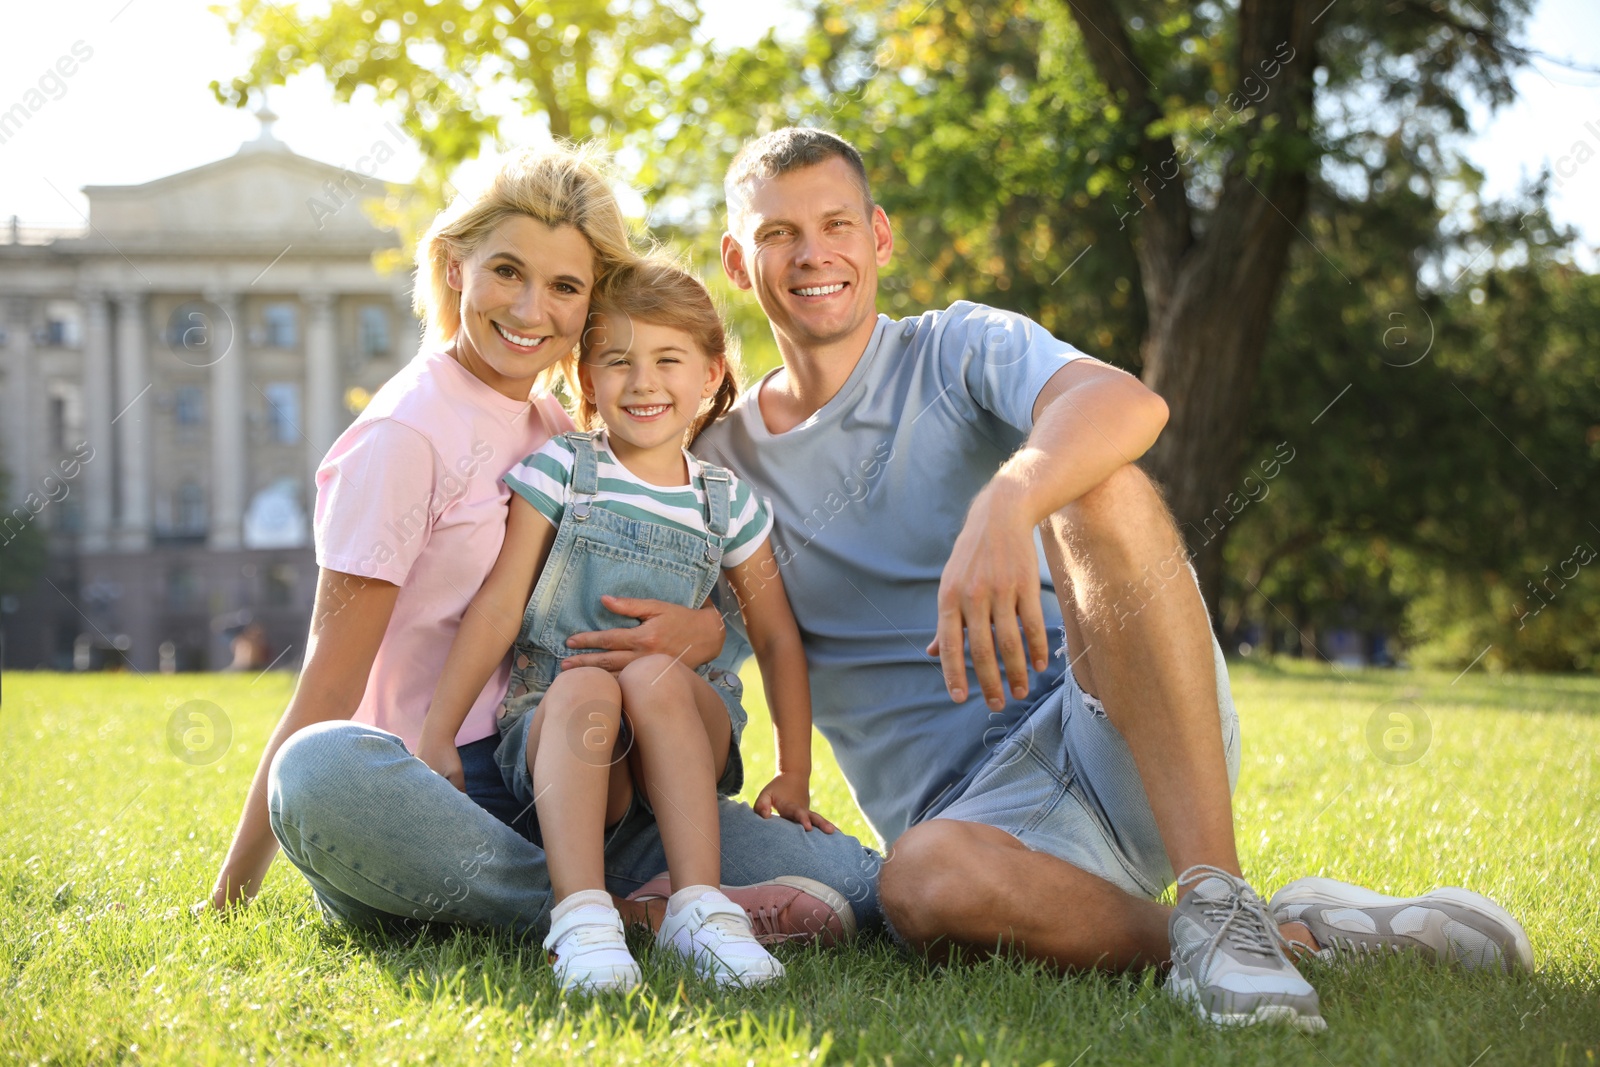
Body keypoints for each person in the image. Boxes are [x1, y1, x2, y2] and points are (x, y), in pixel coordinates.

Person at [695, 127, 1533, 1031]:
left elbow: (1129, 403)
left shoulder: (957, 345)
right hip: (980, 830)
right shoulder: (718, 468)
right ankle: (1272, 936)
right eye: (780, 234)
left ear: (880, 236)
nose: (814, 253)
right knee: (918, 884)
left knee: (1095, 482)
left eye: (836, 224)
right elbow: (716, 649)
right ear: (740, 263)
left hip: (1120, 722)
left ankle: (1218, 889)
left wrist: (1007, 502)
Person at [202, 146, 881, 952]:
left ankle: (637, 892)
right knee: (316, 770)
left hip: (584, 770)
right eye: (506, 273)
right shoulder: (401, 437)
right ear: (456, 269)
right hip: (434, 791)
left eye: (564, 286)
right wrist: (230, 896)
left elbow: (656, 564)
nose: (530, 309)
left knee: (870, 891)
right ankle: (609, 911)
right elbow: (327, 680)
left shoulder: (557, 429)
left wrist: (700, 633)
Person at [416, 259, 833, 991]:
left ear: (709, 374)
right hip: (576, 743)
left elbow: (775, 638)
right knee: (587, 690)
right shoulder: (561, 471)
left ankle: (700, 912)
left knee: (653, 676)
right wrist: (437, 730)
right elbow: (499, 604)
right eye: (618, 361)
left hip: (683, 735)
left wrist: (793, 770)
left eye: (667, 360)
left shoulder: (727, 505)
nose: (643, 383)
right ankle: (582, 919)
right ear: (585, 379)